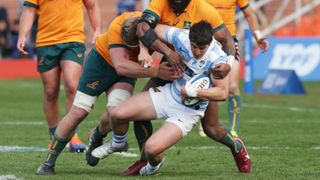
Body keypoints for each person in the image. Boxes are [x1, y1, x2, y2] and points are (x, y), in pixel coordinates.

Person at [88, 0, 250, 175]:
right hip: (173, 69)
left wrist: (228, 63)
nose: (196, 52)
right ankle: (143, 159)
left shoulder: (210, 31)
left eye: (200, 48)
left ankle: (236, 146)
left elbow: (226, 43)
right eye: (193, 47)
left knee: (211, 128)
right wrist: (165, 52)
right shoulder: (179, 34)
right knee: (128, 114)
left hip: (194, 96)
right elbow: (144, 29)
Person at [35, 12, 179, 176]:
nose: (128, 49)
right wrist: (156, 71)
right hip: (100, 65)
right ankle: (48, 162)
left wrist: (146, 51)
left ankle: (99, 134)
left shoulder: (156, 29)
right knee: (79, 111)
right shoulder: (117, 26)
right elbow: (121, 66)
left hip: (127, 72)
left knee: (118, 112)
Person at [17, 0, 102, 152]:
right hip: (46, 41)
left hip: (73, 40)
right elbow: (29, 11)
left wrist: (98, 29)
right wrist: (22, 35)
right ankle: (54, 136)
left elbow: (92, 5)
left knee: (72, 85)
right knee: (50, 91)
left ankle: (72, 135)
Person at [204, 0, 269, 137]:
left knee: (233, 87)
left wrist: (258, 36)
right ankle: (207, 123)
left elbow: (249, 14)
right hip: (206, 42)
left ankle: (233, 129)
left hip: (229, 42)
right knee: (206, 83)